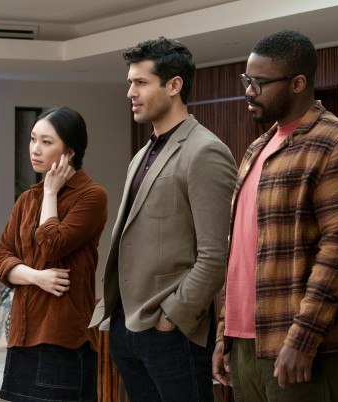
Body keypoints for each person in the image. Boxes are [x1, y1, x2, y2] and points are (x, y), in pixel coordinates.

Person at [211, 30, 338, 402]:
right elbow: (240, 253)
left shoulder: (336, 144)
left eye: (259, 83)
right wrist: (225, 334)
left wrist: (303, 337)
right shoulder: (257, 148)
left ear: (298, 83)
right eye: (246, 80)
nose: (248, 91)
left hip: (303, 350)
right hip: (246, 346)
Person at [89, 37, 237, 402]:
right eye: (130, 82)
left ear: (174, 85)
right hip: (128, 326)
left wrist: (172, 318)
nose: (130, 92)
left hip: (171, 332)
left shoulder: (205, 151)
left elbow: (216, 255)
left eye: (141, 82)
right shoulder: (142, 154)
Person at [0, 106, 108, 402]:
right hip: (22, 336)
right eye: (33, 139)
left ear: (70, 151)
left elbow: (51, 245)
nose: (35, 149)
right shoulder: (26, 199)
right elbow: (1, 258)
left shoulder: (92, 195)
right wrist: (36, 277)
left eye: (46, 142)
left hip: (63, 338)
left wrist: (50, 193)